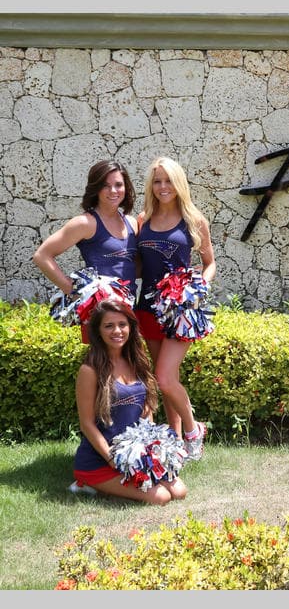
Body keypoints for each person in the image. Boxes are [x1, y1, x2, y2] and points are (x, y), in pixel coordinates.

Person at [72, 298, 187, 505]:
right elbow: (87, 424)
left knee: (179, 491)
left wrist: (151, 452)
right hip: (100, 461)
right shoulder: (89, 371)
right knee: (160, 497)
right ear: (98, 331)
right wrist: (112, 460)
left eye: (122, 325)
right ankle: (85, 483)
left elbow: (146, 412)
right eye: (109, 326)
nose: (117, 331)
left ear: (130, 328)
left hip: (136, 455)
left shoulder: (137, 361)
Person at [135, 156, 214, 460]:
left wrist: (199, 290)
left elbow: (210, 264)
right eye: (157, 181)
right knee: (163, 378)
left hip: (180, 310)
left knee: (166, 377)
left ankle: (194, 431)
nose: (163, 187)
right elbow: (140, 266)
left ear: (178, 183)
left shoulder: (194, 220)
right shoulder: (142, 221)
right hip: (148, 308)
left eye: (168, 180)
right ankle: (176, 440)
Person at [32, 160, 139, 342]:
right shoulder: (85, 223)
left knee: (125, 366)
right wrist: (73, 290)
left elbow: (133, 266)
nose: (113, 191)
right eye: (106, 186)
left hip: (127, 311)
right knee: (102, 365)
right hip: (100, 313)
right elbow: (42, 256)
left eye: (118, 185)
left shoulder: (132, 222)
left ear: (126, 187)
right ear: (95, 188)